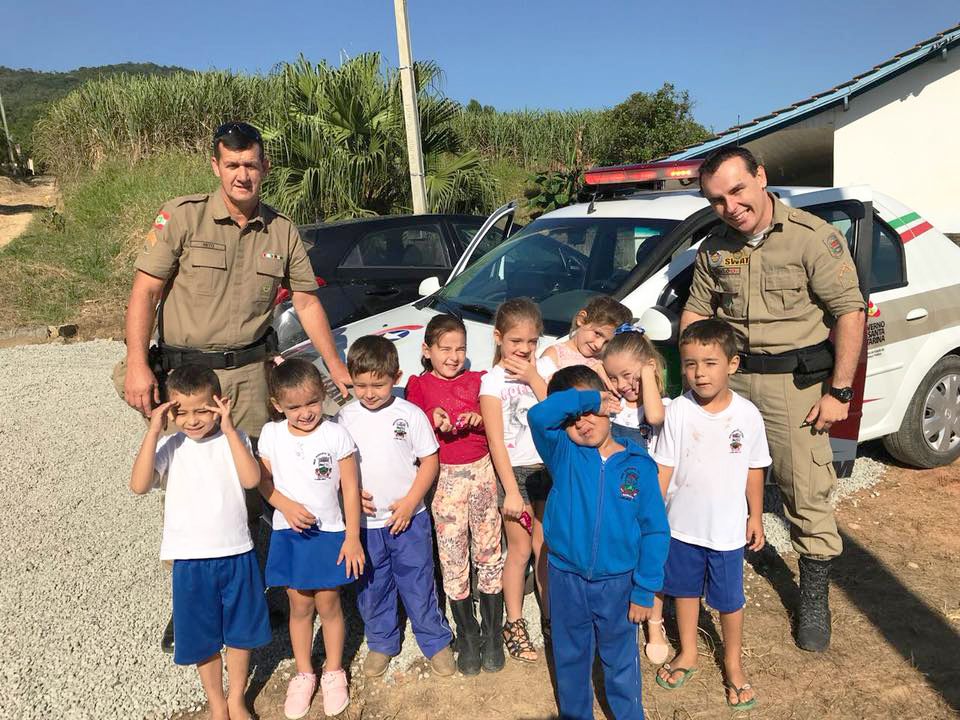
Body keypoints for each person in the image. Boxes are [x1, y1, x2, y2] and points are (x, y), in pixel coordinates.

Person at [116, 121, 351, 649]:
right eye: (232, 165)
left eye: (252, 165)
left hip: (248, 376)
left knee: (250, 486)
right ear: (217, 167)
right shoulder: (184, 216)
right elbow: (146, 290)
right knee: (187, 487)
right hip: (187, 379)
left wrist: (334, 367)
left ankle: (251, 592)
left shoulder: (281, 230)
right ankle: (192, 604)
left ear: (264, 168)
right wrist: (136, 360)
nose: (242, 174)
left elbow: (307, 302)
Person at [681, 145, 865, 651]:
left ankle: (813, 596)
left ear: (761, 178)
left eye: (737, 190)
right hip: (732, 384)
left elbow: (850, 312)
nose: (730, 205)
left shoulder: (812, 238)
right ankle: (720, 560)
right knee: (716, 479)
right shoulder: (715, 248)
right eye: (716, 199)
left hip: (795, 387)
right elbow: (696, 312)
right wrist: (693, 377)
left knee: (804, 489)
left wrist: (840, 392)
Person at [528, 365, 669, 720]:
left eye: (591, 412)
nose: (583, 422)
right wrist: (587, 399)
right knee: (571, 655)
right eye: (573, 416)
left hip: (618, 583)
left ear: (609, 405)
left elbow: (655, 531)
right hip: (566, 578)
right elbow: (539, 414)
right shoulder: (563, 453)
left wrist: (644, 590)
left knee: (620, 659)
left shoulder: (638, 465)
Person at [129, 365, 270, 720]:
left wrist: (228, 428)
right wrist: (152, 431)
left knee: (240, 634)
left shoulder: (235, 438)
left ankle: (236, 698)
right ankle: (216, 703)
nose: (192, 420)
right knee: (203, 637)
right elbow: (139, 484)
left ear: (219, 404)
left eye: (201, 410)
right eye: (182, 411)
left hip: (236, 551)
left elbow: (252, 479)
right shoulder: (169, 445)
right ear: (169, 411)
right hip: (190, 560)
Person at [649, 319, 769, 710]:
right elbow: (664, 467)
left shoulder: (748, 416)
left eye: (710, 363)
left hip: (727, 531)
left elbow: (755, 467)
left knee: (729, 599)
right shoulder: (679, 412)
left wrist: (756, 516)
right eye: (690, 364)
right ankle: (687, 653)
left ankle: (733, 664)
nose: (699, 373)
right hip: (681, 526)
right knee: (682, 591)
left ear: (732, 364)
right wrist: (653, 515)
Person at [336, 335, 455, 678]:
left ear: (396, 376)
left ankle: (434, 640)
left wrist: (411, 502)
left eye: (378, 384)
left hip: (409, 519)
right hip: (367, 525)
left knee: (418, 580)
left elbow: (429, 461)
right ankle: (381, 641)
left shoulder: (410, 414)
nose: (369, 393)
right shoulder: (344, 419)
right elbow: (337, 467)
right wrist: (351, 494)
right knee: (372, 586)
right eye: (360, 385)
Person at [256, 359, 364, 718]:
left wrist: (352, 536)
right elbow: (264, 483)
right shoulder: (271, 435)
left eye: (312, 403)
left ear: (322, 396)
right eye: (295, 407)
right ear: (277, 404)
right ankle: (304, 672)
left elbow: (350, 488)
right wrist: (285, 505)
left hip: (330, 533)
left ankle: (333, 670)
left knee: (329, 604)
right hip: (290, 535)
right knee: (299, 606)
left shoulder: (335, 434)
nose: (306, 413)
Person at [405, 314, 504, 675]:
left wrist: (479, 417)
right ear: (426, 350)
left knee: (489, 550)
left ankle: (493, 634)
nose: (453, 356)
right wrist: (434, 416)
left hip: (481, 472)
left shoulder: (478, 380)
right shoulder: (418, 384)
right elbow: (416, 416)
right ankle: (467, 633)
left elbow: (494, 411)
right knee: (451, 554)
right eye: (444, 348)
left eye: (460, 348)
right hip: (444, 480)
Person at [478, 298, 551, 663]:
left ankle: (551, 617)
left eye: (531, 342)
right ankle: (515, 621)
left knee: (546, 546)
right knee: (520, 550)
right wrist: (509, 490)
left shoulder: (544, 372)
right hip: (516, 476)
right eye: (515, 342)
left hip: (547, 470)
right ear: (498, 339)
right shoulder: (491, 382)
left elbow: (555, 415)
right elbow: (495, 442)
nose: (523, 349)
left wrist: (535, 378)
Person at [601, 322, 669, 663]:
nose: (620, 385)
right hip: (620, 500)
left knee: (651, 561)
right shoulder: (615, 406)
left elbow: (654, 416)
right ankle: (625, 616)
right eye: (612, 378)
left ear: (648, 368)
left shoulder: (658, 405)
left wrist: (645, 376)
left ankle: (655, 625)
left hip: (651, 499)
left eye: (627, 376)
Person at [540, 294, 632, 384]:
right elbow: (545, 392)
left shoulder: (604, 360)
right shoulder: (554, 355)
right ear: (582, 320)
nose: (599, 345)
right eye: (597, 334)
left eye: (607, 342)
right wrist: (587, 376)